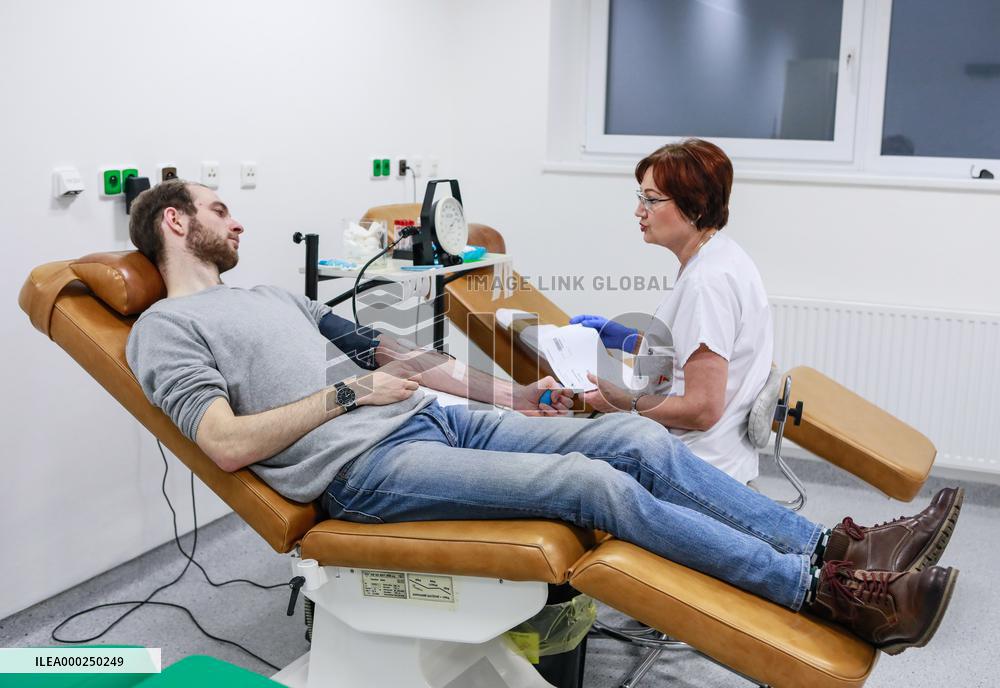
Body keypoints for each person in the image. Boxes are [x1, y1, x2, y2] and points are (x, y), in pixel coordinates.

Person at [124, 179, 962, 654]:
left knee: (631, 433)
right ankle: (822, 592)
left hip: (432, 423)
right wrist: (344, 397)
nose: (237, 219)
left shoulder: (274, 294)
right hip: (364, 473)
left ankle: (832, 546)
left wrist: (517, 397)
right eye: (219, 208)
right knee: (590, 485)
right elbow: (225, 445)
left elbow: (396, 356)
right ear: (175, 221)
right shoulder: (166, 329)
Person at [574, 139, 770, 484]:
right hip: (708, 454)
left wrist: (624, 403)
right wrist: (634, 340)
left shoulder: (706, 283)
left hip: (692, 466)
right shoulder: (721, 256)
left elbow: (703, 410)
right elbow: (692, 353)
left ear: (695, 208)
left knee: (557, 464)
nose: (639, 211)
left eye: (651, 200)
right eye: (640, 197)